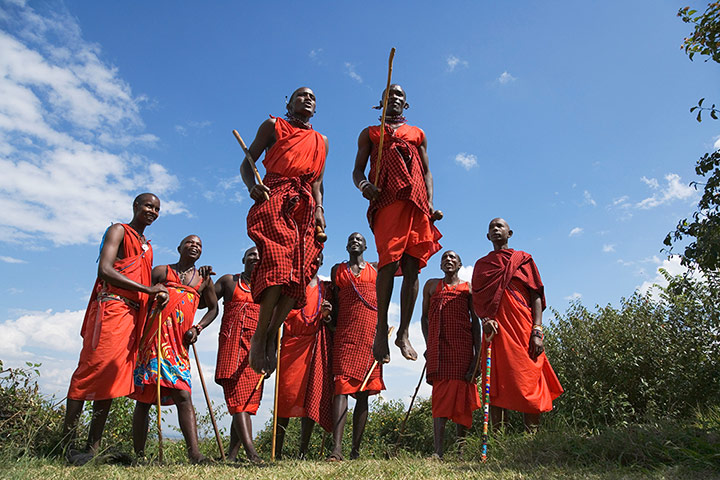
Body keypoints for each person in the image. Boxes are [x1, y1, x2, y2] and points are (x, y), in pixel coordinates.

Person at [62, 193, 167, 465]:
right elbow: (105, 270)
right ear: (135, 206)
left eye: (156, 208)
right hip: (111, 309)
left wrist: (155, 294)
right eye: (147, 205)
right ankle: (65, 444)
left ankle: (91, 448)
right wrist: (147, 289)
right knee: (90, 370)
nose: (152, 211)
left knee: (110, 377)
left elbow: (142, 281)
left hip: (131, 317)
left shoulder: (147, 246)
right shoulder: (119, 230)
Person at [240, 87, 329, 376]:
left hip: (306, 207)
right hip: (276, 197)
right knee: (278, 266)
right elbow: (247, 162)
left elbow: (317, 184)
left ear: (316, 108)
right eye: (301, 95)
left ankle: (270, 334)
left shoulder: (321, 141)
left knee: (300, 274)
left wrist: (319, 212)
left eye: (312, 97)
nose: (307, 99)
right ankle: (258, 336)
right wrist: (252, 186)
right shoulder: (273, 126)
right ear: (288, 102)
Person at [352, 83, 442, 365]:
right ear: (381, 103)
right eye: (389, 95)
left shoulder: (418, 134)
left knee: (413, 265)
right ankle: (382, 328)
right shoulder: (371, 132)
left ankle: (403, 332)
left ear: (406, 104)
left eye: (400, 96)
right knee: (388, 263)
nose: (395, 99)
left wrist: (429, 203)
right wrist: (364, 185)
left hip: (415, 203)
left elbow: (427, 172)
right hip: (387, 200)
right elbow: (356, 171)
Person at [131, 235, 218, 463]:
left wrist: (198, 328)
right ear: (179, 247)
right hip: (154, 338)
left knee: (183, 394)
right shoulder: (161, 271)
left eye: (199, 245)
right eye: (190, 243)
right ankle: (139, 455)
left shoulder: (203, 280)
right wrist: (155, 296)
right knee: (145, 398)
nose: (194, 246)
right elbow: (142, 296)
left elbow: (213, 309)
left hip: (180, 344)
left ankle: (195, 454)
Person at [471, 218, 563, 431]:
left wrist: (537, 330)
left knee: (528, 376)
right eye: (491, 228)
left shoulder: (523, 260)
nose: (495, 230)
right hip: (495, 331)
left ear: (509, 233)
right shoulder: (482, 266)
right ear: (487, 237)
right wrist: (485, 320)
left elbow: (536, 295)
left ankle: (531, 438)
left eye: (499, 226)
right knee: (495, 380)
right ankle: (498, 438)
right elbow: (478, 299)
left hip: (523, 328)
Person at [327, 232, 384, 461]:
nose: (354, 242)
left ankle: (355, 450)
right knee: (341, 388)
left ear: (366, 246)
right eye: (351, 239)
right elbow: (335, 302)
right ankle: (337, 449)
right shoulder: (337, 270)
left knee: (363, 394)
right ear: (346, 245)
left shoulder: (376, 269)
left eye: (359, 240)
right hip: (345, 335)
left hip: (370, 336)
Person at [420, 250, 482, 459]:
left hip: (463, 349)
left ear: (459, 265)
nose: (448, 260)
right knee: (440, 399)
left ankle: (461, 450)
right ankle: (438, 452)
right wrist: (429, 344)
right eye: (444, 258)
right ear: (440, 265)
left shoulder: (468, 289)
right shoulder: (430, 286)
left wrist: (477, 357)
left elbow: (476, 325)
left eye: (452, 258)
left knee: (462, 399)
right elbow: (424, 318)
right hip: (439, 350)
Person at [274, 253, 334, 459]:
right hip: (290, 345)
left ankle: (303, 451)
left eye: (318, 260)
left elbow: (333, 321)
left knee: (310, 399)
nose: (314, 263)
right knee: (285, 397)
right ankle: (277, 450)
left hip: (314, 346)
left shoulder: (326, 287)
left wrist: (326, 315)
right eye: (311, 260)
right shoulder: (291, 285)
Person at [214, 247, 264, 463]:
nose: (256, 258)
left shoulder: (266, 289)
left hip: (255, 351)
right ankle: (251, 453)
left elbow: (271, 323)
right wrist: (206, 282)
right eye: (252, 254)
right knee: (238, 401)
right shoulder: (228, 282)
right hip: (232, 348)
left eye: (260, 256)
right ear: (243, 258)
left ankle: (232, 456)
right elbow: (203, 303)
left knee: (247, 401)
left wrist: (268, 355)